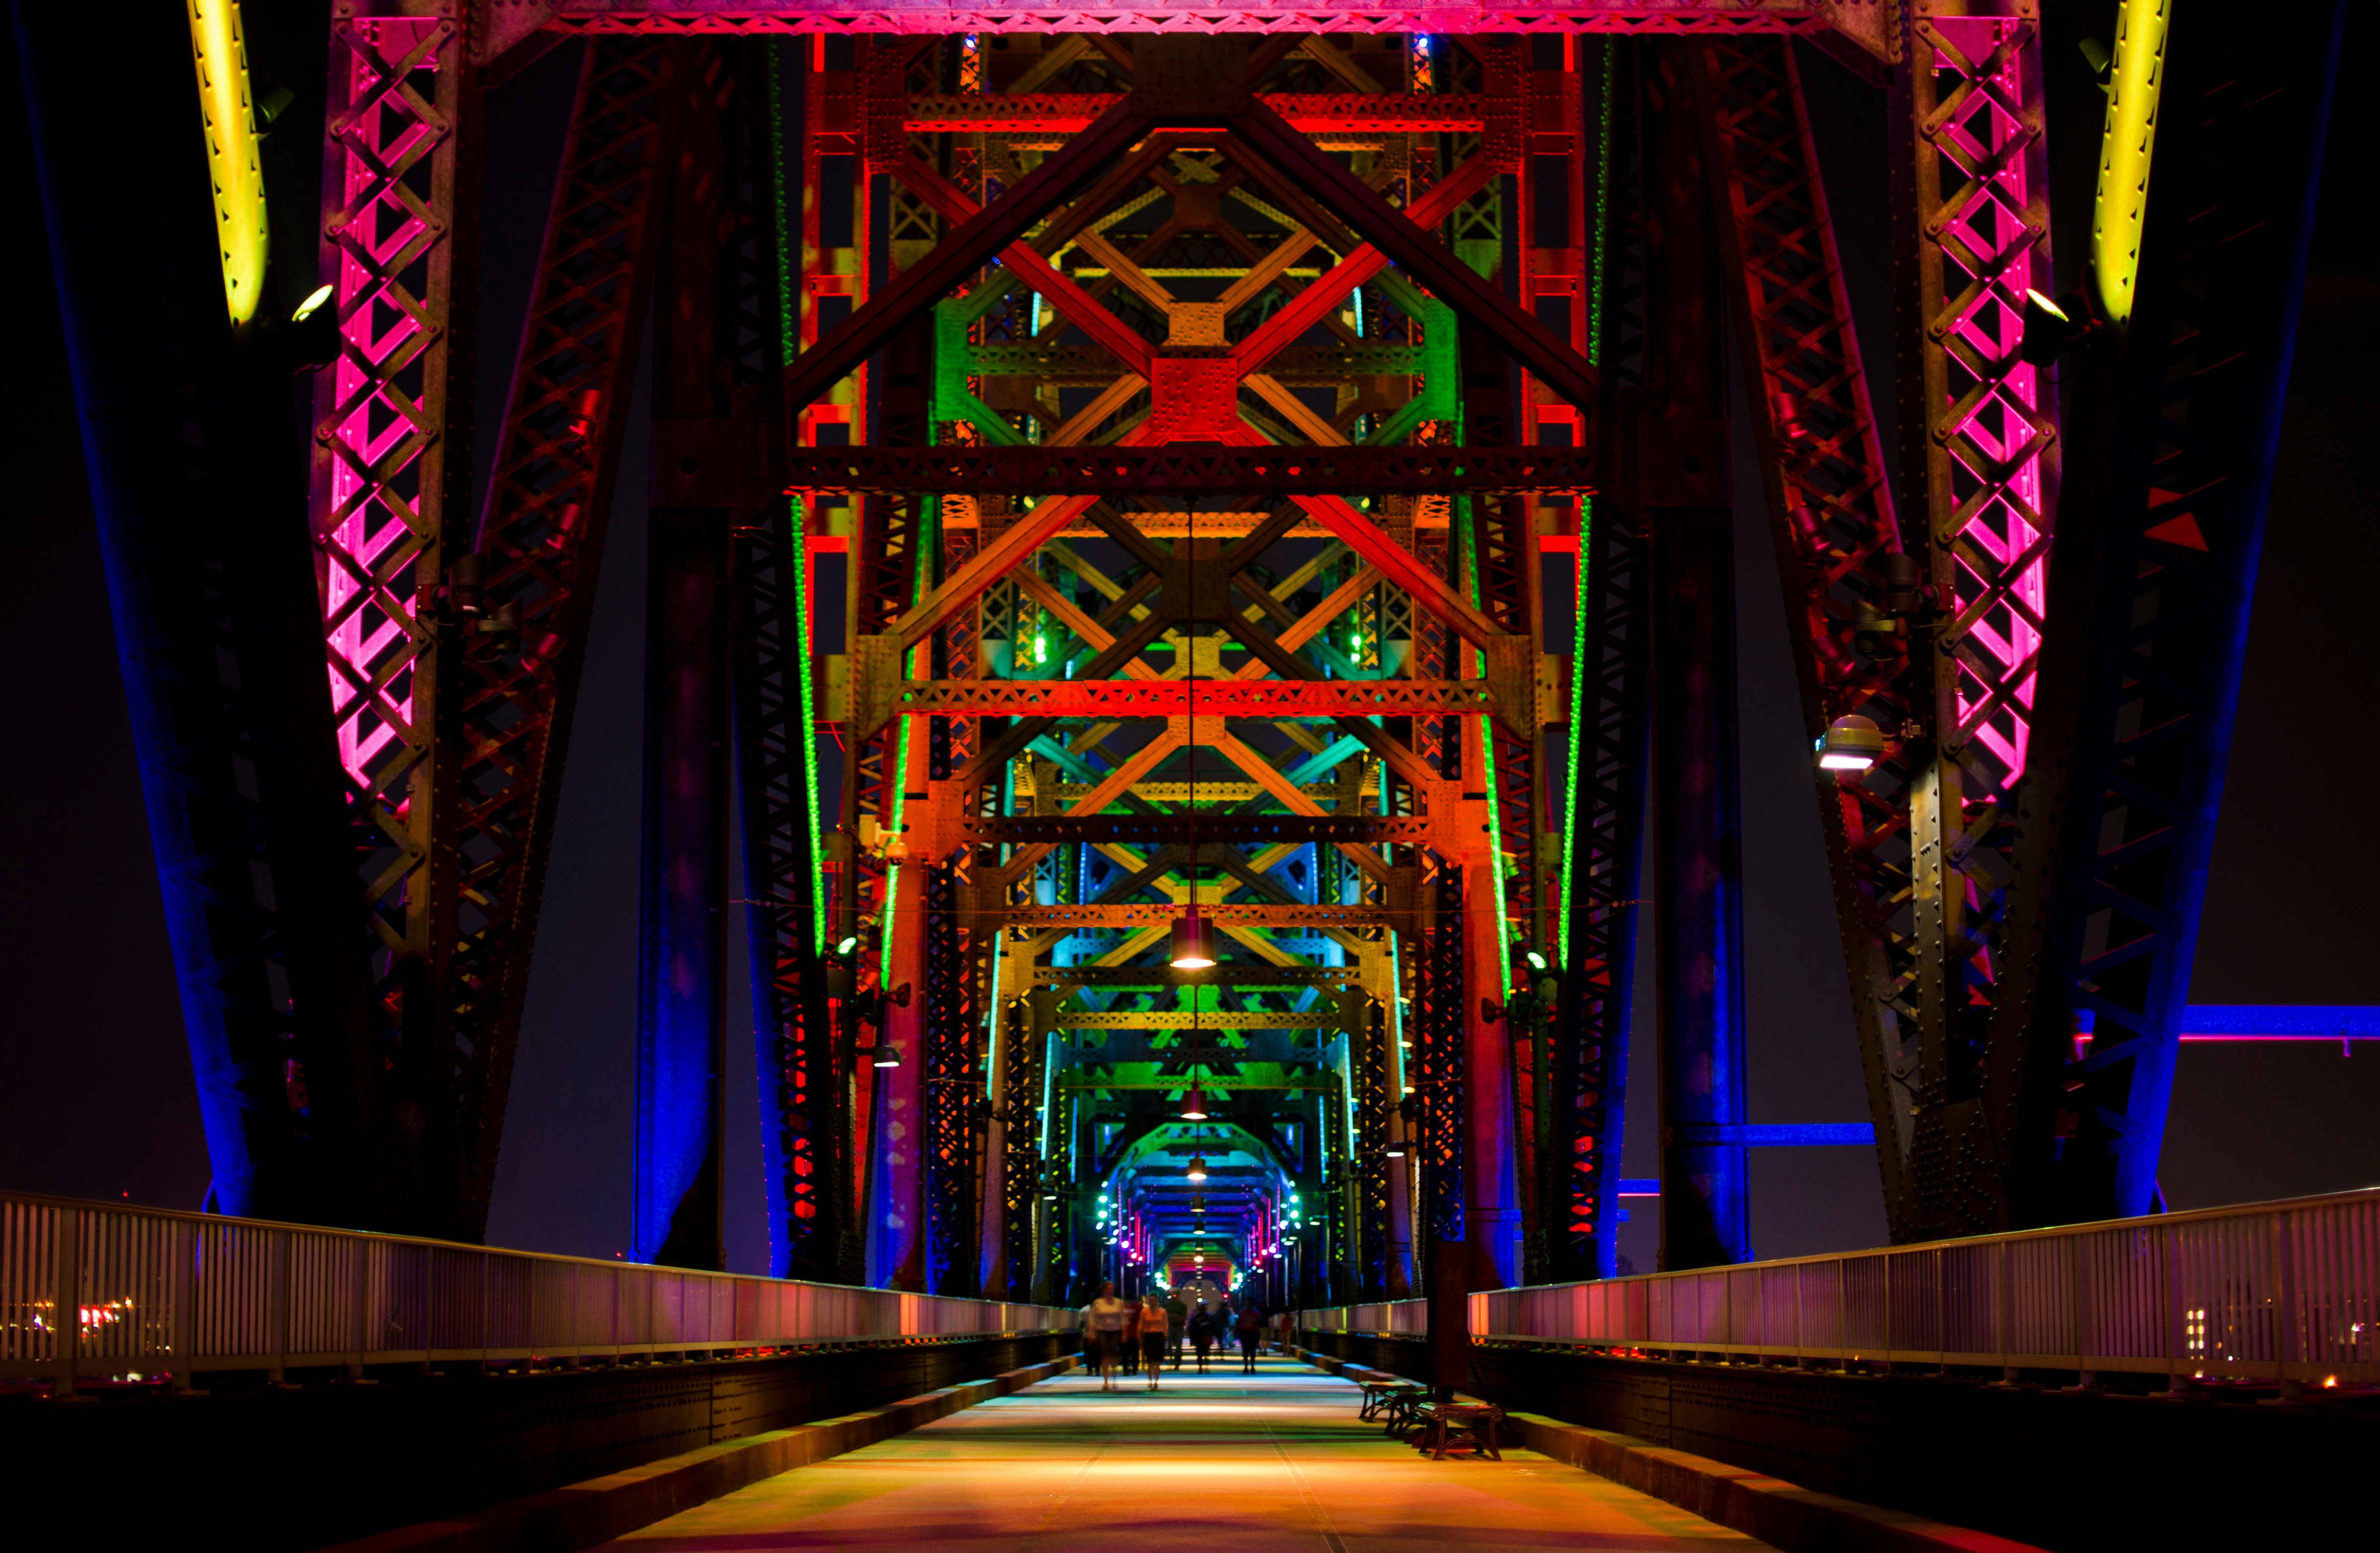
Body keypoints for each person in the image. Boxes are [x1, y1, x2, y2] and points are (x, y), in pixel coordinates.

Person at [1082, 1281, 1130, 1391]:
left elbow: (1124, 1319)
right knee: (1104, 1357)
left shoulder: (1118, 1302)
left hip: (1115, 1332)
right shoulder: (1098, 1303)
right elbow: (1093, 1319)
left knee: (1113, 1356)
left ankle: (1114, 1377)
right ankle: (1106, 1382)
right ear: (1104, 1290)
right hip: (1102, 1331)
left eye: (1112, 1289)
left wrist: (1124, 1334)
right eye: (1108, 1289)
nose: (1110, 1291)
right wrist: (1091, 1334)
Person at [1137, 1292, 1170, 1391]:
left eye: (1154, 1301)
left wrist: (1165, 1336)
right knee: (1150, 1360)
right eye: (1151, 1301)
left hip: (1159, 1336)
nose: (1153, 1303)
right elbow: (1141, 1325)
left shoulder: (1162, 1312)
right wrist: (1140, 1337)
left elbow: (1166, 1325)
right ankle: (1151, 1381)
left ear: (1157, 1301)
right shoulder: (1144, 1312)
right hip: (1148, 1337)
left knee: (1158, 1362)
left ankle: (1156, 1382)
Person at [1235, 1302, 1265, 1373]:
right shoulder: (1243, 1313)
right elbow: (1238, 1323)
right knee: (1245, 1351)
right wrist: (1236, 1330)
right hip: (1245, 1333)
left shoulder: (1256, 1313)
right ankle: (1246, 1367)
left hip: (1253, 1333)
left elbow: (1260, 1322)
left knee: (1252, 1351)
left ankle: (1252, 1367)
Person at [1186, 1304, 1216, 1373]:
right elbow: (1213, 1326)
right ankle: (1204, 1367)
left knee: (1202, 1353)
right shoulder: (1208, 1317)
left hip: (1202, 1337)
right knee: (1204, 1353)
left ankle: (1202, 1367)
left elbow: (1192, 1328)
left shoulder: (1198, 1317)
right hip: (1202, 1337)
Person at [1165, 1291, 1188, 1370]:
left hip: (1179, 1327)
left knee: (1178, 1346)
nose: (1174, 1296)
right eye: (1173, 1294)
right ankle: (1171, 1359)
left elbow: (1183, 1317)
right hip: (1170, 1327)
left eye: (1176, 1294)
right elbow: (1165, 1316)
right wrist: (1176, 1316)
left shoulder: (1182, 1306)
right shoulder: (1167, 1305)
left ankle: (1177, 1362)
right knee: (1169, 1345)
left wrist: (1172, 1317)